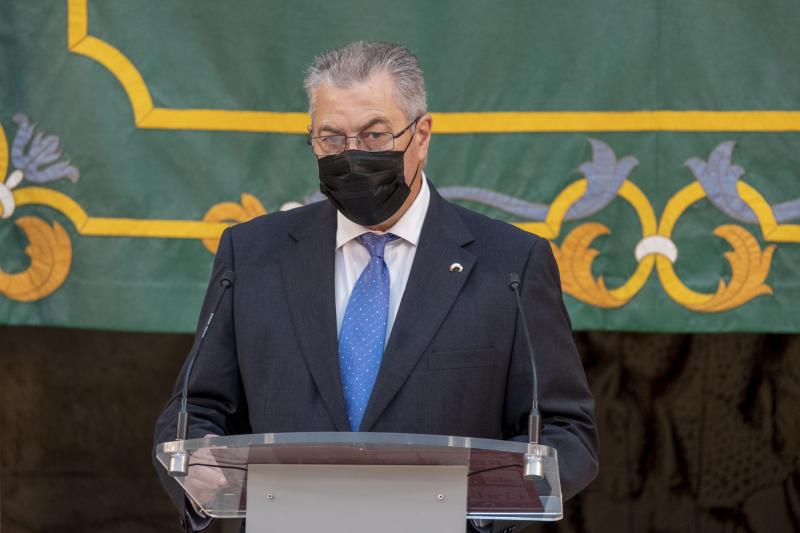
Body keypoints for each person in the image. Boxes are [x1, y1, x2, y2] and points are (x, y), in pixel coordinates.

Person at [154, 41, 598, 532]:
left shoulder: (510, 265)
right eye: (331, 138)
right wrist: (197, 470)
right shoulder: (253, 254)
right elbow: (194, 412)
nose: (351, 156)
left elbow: (564, 431)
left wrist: (480, 506)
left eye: (373, 136)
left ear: (421, 134)